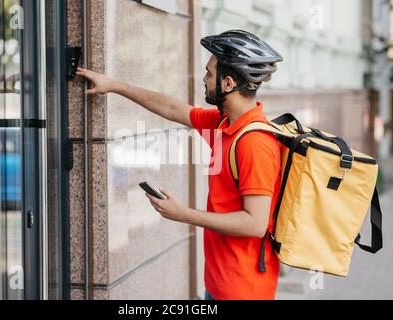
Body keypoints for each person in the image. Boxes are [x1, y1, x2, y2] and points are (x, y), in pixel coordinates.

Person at [76, 30, 283, 300]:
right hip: (220, 283)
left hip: (243, 291)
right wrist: (114, 85)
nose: (205, 78)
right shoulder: (225, 123)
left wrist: (182, 213)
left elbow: (255, 223)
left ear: (228, 82)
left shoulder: (254, 142)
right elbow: (174, 109)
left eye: (210, 73)